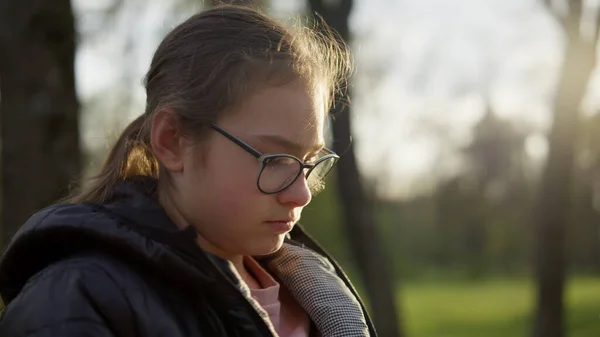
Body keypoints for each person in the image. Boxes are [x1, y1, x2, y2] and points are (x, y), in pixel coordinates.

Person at [0, 4, 376, 337]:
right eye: (274, 159)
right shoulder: (76, 304)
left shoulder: (319, 298)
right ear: (173, 140)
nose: (302, 193)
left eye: (310, 162)